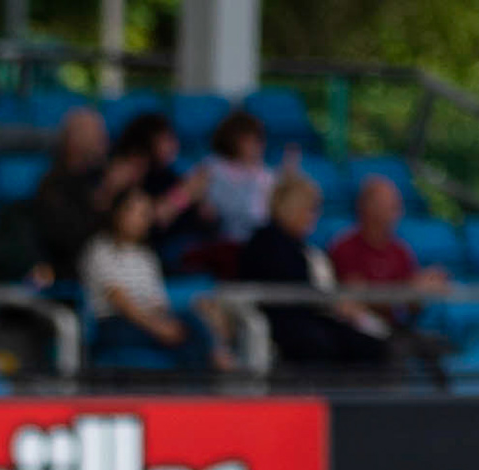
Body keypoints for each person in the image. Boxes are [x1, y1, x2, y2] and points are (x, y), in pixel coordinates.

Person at [238, 173, 391, 373]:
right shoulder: (266, 243)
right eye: (310, 210)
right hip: (282, 322)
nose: (314, 217)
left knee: (371, 343)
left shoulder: (301, 247)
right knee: (322, 343)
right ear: (293, 208)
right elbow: (290, 290)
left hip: (310, 317)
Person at [81, 186, 227, 369]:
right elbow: (121, 301)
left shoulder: (146, 256)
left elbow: (157, 302)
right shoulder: (100, 249)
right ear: (118, 213)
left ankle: (209, 368)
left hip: (149, 318)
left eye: (146, 214)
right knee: (187, 339)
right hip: (115, 323)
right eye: (137, 213)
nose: (142, 220)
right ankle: (216, 365)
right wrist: (157, 327)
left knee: (190, 322)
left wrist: (166, 323)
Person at [329, 174, 450, 382]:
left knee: (437, 345)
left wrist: (421, 290)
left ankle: (449, 406)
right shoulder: (345, 248)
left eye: (396, 206)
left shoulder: (400, 251)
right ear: (367, 208)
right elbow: (358, 299)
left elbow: (409, 305)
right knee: (394, 349)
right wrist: (407, 289)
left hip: (395, 328)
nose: (395, 213)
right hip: (360, 333)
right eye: (389, 206)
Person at [32, 107, 139, 283]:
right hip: (72, 277)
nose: (103, 139)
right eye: (95, 133)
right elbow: (68, 243)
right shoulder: (53, 186)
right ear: (72, 140)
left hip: (119, 271)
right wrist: (107, 193)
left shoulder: (103, 175)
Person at [108, 110, 215, 263]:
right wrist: (186, 193)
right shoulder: (131, 172)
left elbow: (205, 217)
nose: (174, 144)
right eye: (166, 139)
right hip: (152, 252)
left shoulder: (168, 173)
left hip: (187, 242)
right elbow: (153, 219)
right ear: (149, 142)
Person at [204, 108, 301, 251]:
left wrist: (287, 179)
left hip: (264, 241)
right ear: (233, 141)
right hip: (231, 241)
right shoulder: (214, 168)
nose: (256, 146)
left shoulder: (266, 174)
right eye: (249, 141)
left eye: (258, 140)